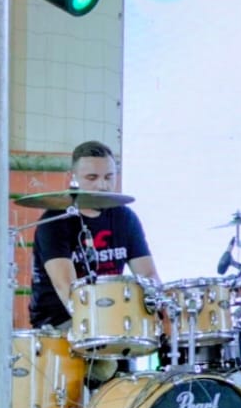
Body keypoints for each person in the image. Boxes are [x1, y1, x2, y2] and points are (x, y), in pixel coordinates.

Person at [29, 140, 160, 330]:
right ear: (72, 178)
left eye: (109, 177)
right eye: (92, 178)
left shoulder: (125, 217)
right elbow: (66, 286)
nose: (102, 185)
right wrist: (102, 326)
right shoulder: (55, 221)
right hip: (62, 322)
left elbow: (148, 274)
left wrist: (159, 309)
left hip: (113, 317)